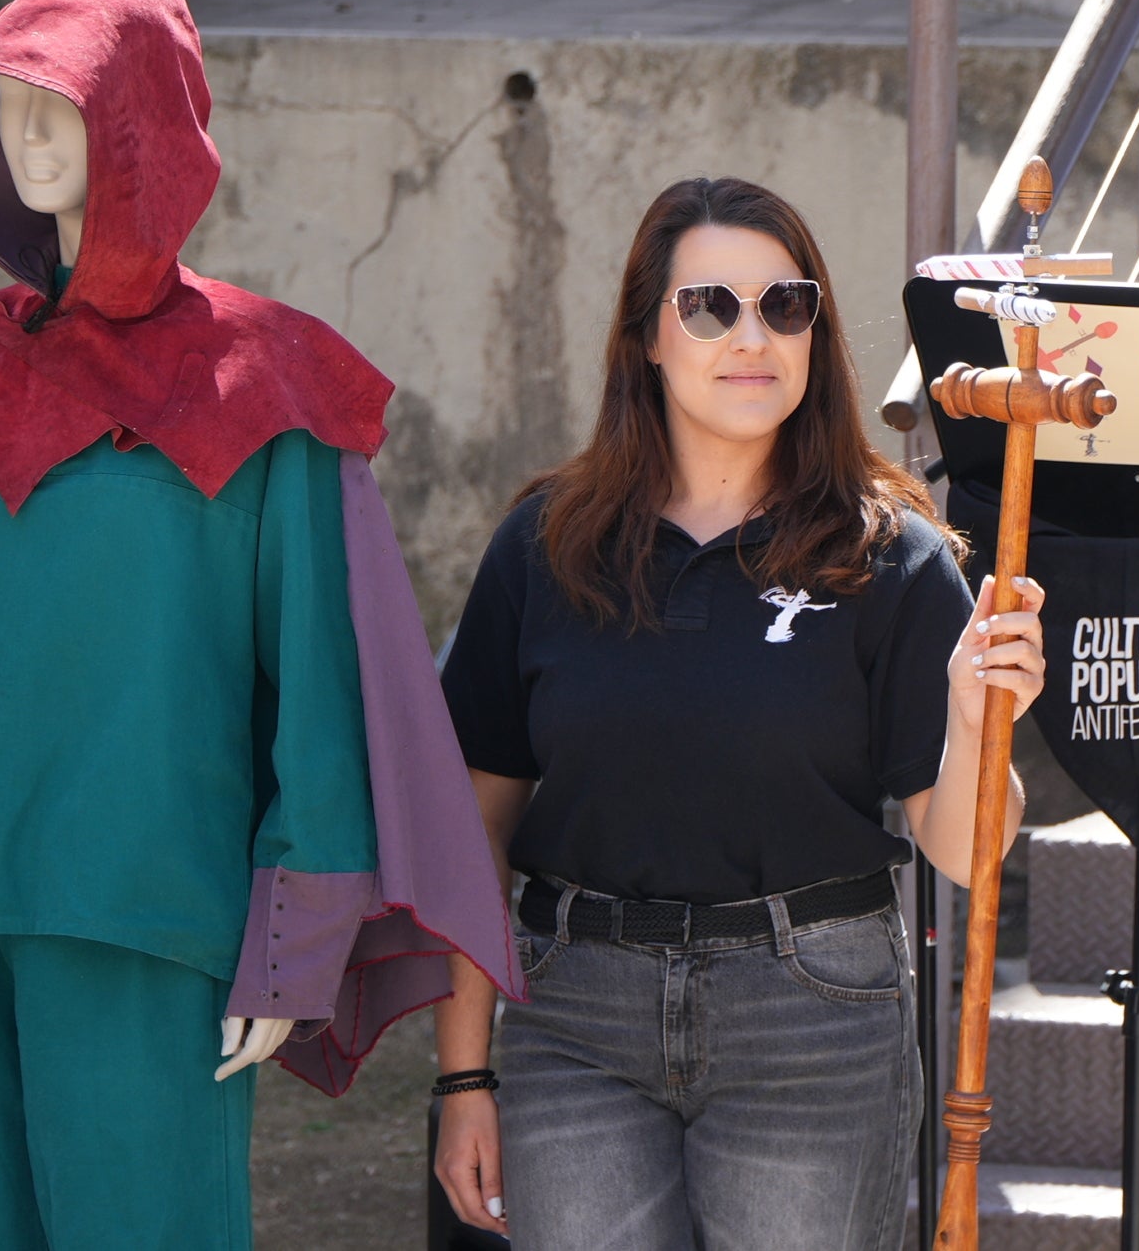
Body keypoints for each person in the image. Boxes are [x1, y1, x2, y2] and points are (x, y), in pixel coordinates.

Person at [0, 0, 516, 1250]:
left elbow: (324, 683)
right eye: (6, 99)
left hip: (151, 917)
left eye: (62, 99)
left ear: (143, 131)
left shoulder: (266, 383)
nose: (25, 133)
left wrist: (293, 939)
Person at [429, 176, 1046, 1250]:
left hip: (810, 1016)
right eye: (709, 304)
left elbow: (968, 850)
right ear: (647, 339)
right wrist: (464, 1071)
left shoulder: (889, 558)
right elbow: (469, 828)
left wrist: (972, 719)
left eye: (786, 304)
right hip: (572, 1016)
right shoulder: (544, 545)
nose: (751, 334)